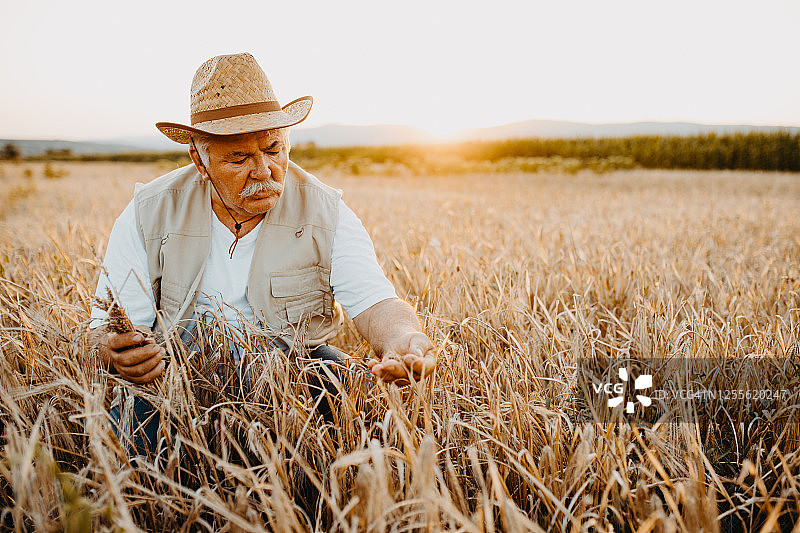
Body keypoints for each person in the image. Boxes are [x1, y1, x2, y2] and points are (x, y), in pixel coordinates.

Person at [90, 52, 436, 457]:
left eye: (274, 148)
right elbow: (105, 331)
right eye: (238, 158)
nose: (265, 170)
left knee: (372, 422)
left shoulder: (326, 211)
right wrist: (113, 351)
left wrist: (404, 339)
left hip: (296, 368)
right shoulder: (148, 212)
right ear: (199, 161)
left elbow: (376, 302)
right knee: (127, 443)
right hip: (179, 377)